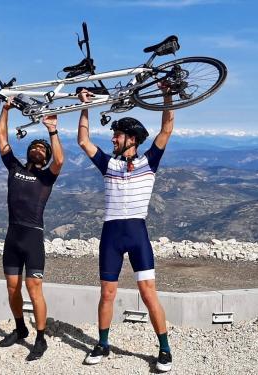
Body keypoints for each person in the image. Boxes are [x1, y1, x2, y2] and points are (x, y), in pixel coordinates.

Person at [77, 84, 174, 372]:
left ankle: (165, 348)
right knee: (107, 293)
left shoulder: (149, 162)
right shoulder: (109, 164)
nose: (112, 139)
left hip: (137, 235)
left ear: (131, 139)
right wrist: (85, 106)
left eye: (117, 135)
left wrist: (167, 95)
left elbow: (166, 129)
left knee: (148, 293)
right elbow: (83, 140)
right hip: (111, 235)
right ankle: (102, 343)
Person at [0, 98, 64, 361]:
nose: (38, 149)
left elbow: (60, 160)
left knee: (34, 287)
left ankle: (40, 338)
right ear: (29, 153)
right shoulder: (14, 167)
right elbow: (2, 139)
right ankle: (20, 328)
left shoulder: (47, 177)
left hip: (33, 236)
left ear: (45, 158)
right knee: (12, 287)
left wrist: (52, 131)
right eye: (34, 146)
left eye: (42, 149)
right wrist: (5, 110)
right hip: (13, 236)